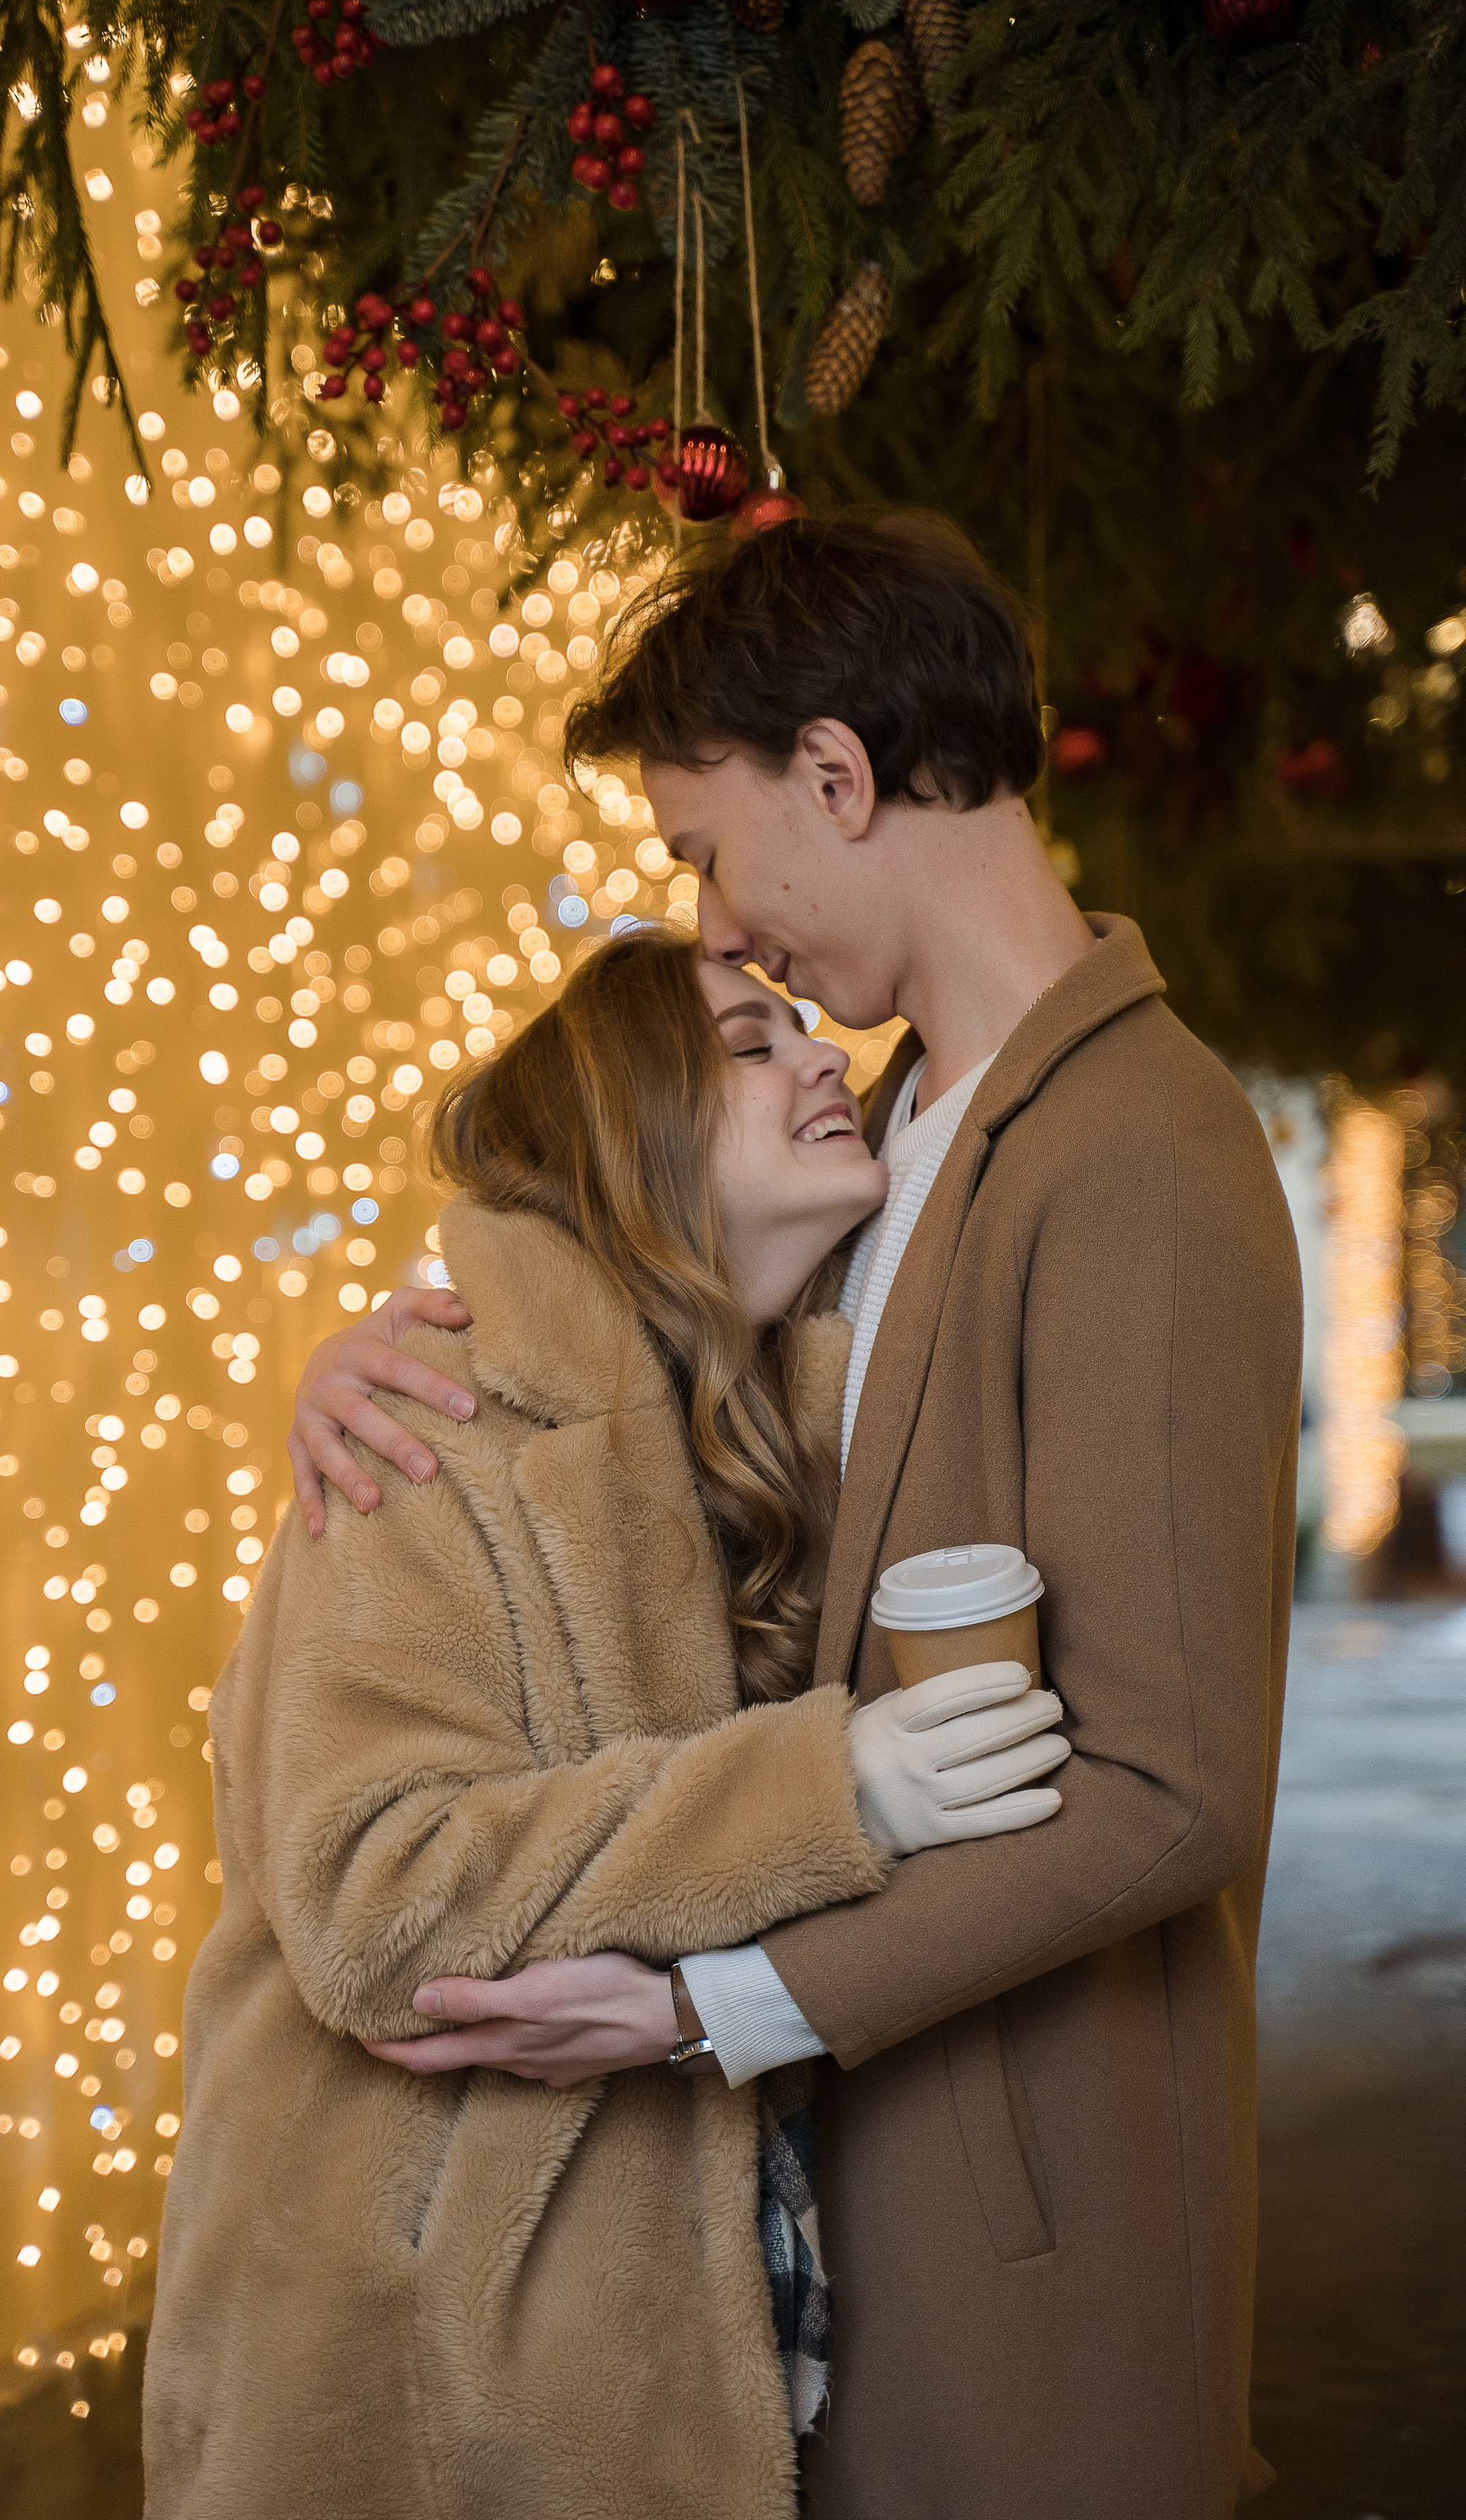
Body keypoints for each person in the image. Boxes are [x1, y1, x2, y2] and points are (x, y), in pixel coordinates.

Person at [285, 511, 1305, 2519]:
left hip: (1030, 2247)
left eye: (705, 851)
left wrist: (707, 2010)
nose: (722, 930)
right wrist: (377, 1356)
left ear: (835, 777)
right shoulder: (885, 1128)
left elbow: (1172, 1788)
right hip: (825, 2241)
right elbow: (651, 1341)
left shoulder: (1140, 1153)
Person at [142, 925, 1073, 2520]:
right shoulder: (425, 1434)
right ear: (626, 1137)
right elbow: (375, 1895)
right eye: (749, 1045)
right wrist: (826, 1792)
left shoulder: (783, 1425)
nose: (823, 1058)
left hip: (690, 2328)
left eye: (798, 1031)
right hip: (422, 2381)